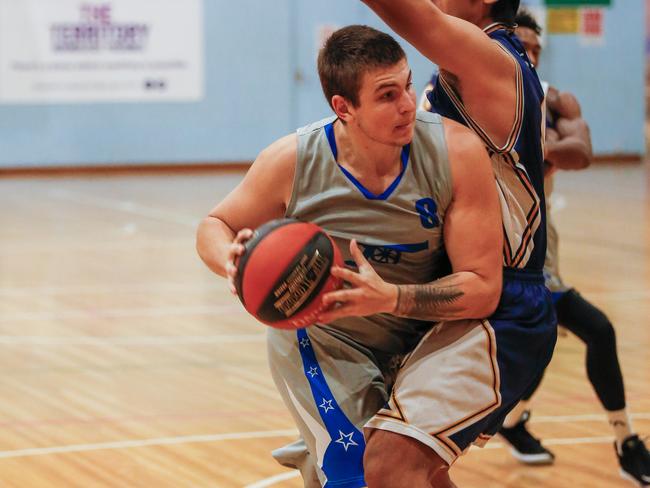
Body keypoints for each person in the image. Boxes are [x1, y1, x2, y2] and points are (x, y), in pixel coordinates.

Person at [196, 23, 532, 488]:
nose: (408, 104)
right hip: (325, 340)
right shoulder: (294, 160)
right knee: (363, 473)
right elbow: (214, 226)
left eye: (409, 85)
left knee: (417, 473)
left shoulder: (453, 152)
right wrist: (232, 261)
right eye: (387, 95)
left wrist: (390, 297)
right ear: (343, 108)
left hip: (418, 340)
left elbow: (482, 288)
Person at [362, 0, 557, 480]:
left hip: (502, 307)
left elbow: (416, 17)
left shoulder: (491, 57)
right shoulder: (470, 62)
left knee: (391, 460)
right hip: (464, 292)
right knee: (418, 467)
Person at [493, 10, 650, 486]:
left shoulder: (551, 97)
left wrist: (535, 146)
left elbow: (580, 152)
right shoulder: (477, 92)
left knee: (554, 339)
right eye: (523, 46)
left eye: (538, 50)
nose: (531, 56)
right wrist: (544, 144)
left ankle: (518, 423)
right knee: (582, 333)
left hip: (539, 242)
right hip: (492, 242)